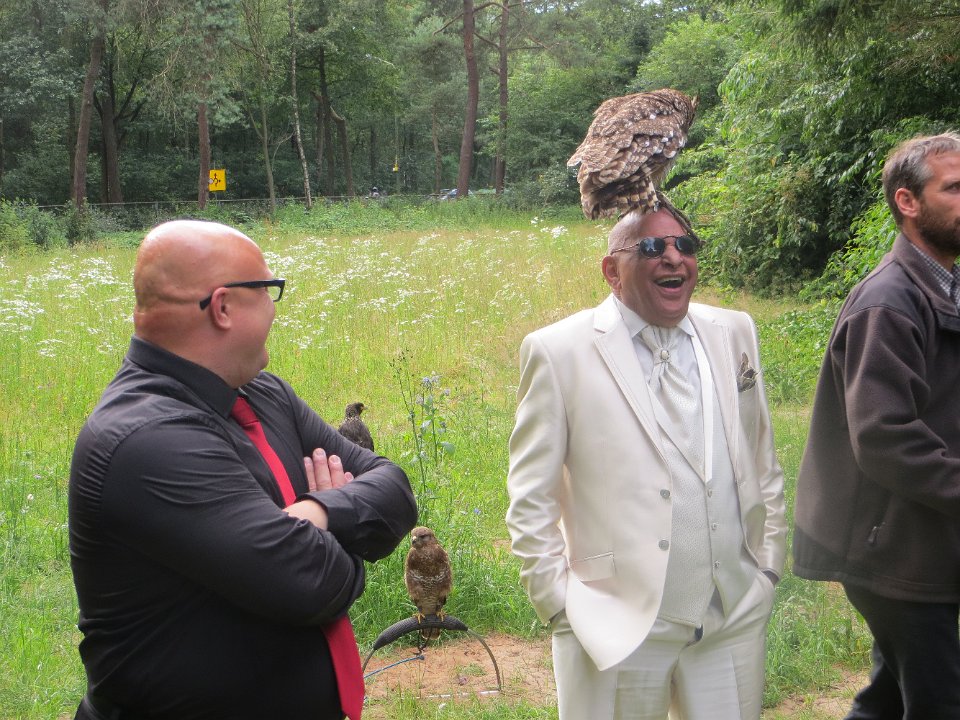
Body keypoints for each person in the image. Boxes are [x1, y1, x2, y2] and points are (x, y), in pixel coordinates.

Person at [68, 219, 417, 719]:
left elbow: (394, 488)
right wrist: (346, 536)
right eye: (268, 290)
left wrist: (318, 513)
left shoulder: (263, 393)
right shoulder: (148, 439)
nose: (275, 308)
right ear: (224, 307)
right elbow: (313, 585)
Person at [506, 205, 787, 719]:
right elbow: (530, 498)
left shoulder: (734, 331)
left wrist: (766, 568)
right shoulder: (557, 351)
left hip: (731, 617)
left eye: (685, 245)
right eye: (653, 247)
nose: (674, 258)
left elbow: (760, 456)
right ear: (612, 271)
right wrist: (560, 606)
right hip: (615, 626)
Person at [793, 132, 960, 719]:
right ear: (907, 202)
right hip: (890, 548)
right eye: (954, 188)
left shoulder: (943, 287)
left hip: (922, 538)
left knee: (887, 701)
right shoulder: (889, 302)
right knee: (941, 702)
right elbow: (885, 438)